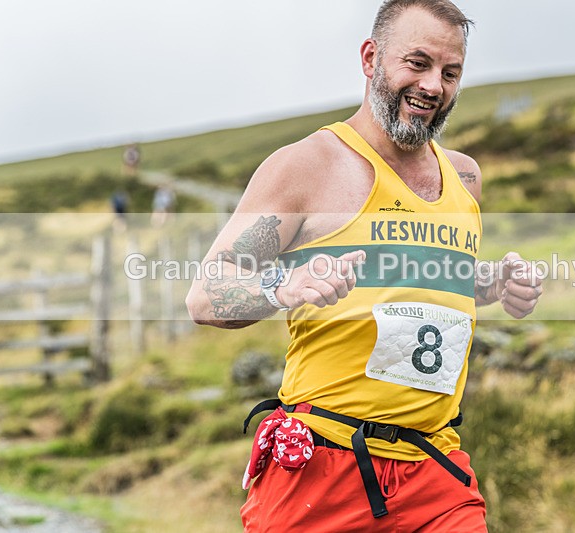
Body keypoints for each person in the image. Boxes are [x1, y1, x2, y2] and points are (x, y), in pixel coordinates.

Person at [185, 1, 542, 530]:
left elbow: (415, 278)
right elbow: (206, 295)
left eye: (450, 72)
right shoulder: (308, 166)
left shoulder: (465, 178)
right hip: (321, 468)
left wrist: (492, 285)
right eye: (416, 63)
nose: (433, 86)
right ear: (371, 58)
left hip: (435, 469)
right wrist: (283, 285)